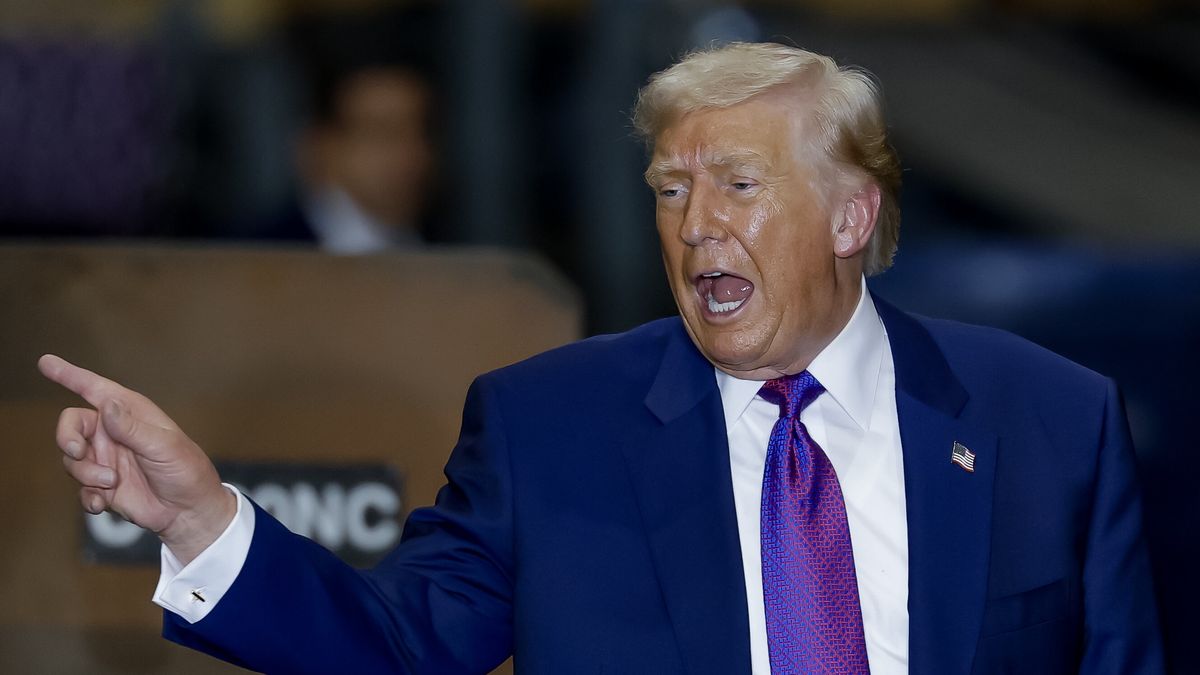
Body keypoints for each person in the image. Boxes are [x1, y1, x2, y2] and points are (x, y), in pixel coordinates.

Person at [40, 43, 1163, 674]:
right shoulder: (551, 430)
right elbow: (393, 649)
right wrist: (197, 521)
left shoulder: (1049, 420)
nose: (694, 224)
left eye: (737, 183)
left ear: (850, 217)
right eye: (671, 191)